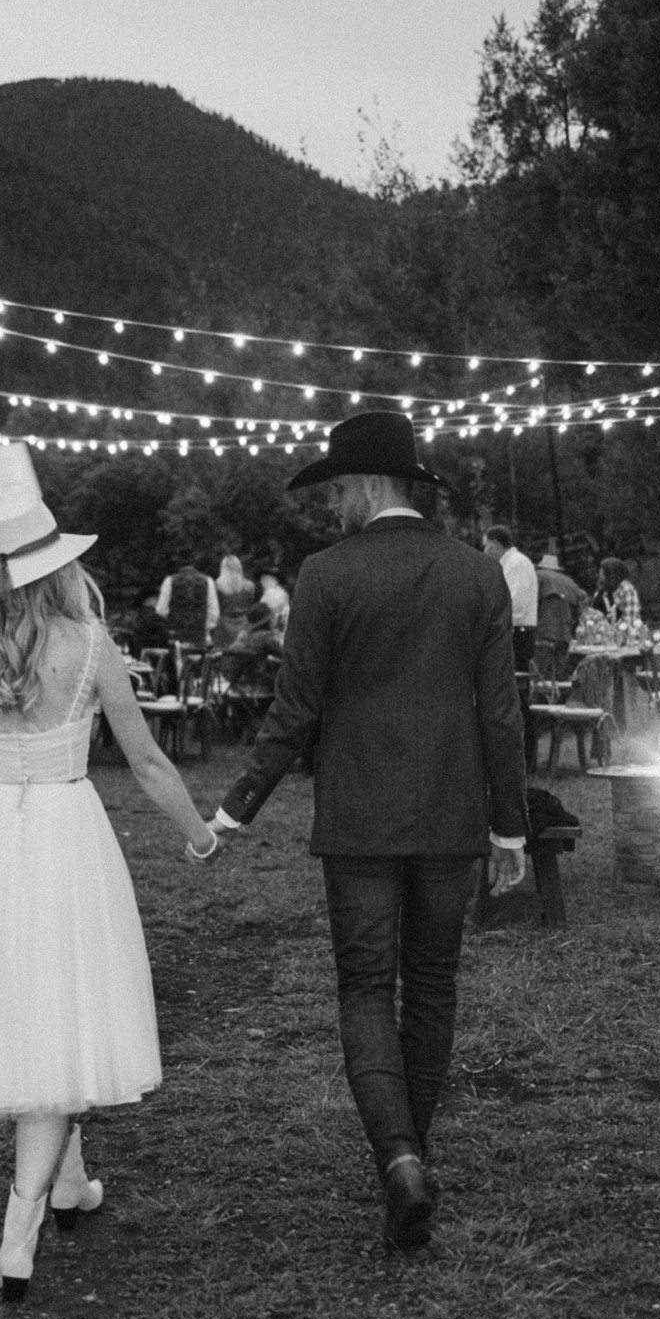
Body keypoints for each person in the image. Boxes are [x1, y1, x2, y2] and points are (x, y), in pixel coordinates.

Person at [0, 467, 220, 1301]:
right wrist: (198, 833)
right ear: (58, 565)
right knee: (58, 1004)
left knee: (28, 1008)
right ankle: (19, 1237)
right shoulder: (92, 647)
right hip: (68, 838)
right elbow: (144, 758)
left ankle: (70, 1183)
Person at [207, 410, 529, 1255]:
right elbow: (500, 713)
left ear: (372, 485)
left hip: (357, 821)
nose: (332, 506)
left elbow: (296, 708)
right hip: (451, 817)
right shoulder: (475, 575)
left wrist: (238, 804)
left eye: (338, 489)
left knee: (363, 987)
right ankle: (410, 1154)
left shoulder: (325, 576)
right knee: (431, 986)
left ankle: (399, 1158)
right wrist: (510, 831)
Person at [482, 523, 539, 672]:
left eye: (486, 546)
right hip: (513, 631)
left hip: (518, 634)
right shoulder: (509, 564)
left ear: (494, 545)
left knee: (516, 683)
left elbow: (516, 603)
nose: (485, 551)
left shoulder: (516, 564)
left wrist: (492, 622)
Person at [155, 555, 219, 648]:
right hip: (199, 635)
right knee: (199, 660)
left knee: (178, 661)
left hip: (176, 634)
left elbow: (161, 611)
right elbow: (214, 612)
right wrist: (206, 629)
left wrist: (171, 621)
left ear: (178, 564)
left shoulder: (169, 581)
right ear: (195, 563)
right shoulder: (208, 581)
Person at [593, 556, 643, 635]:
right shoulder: (602, 590)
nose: (599, 573)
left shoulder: (626, 589)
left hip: (625, 635)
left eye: (602, 571)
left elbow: (630, 619)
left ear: (611, 573)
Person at [214, 554, 257, 643]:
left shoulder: (217, 586)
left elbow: (216, 607)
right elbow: (251, 605)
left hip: (224, 624)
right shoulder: (249, 586)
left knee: (224, 653)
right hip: (243, 623)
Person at [256, 565, 290, 636]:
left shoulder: (272, 593)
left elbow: (272, 616)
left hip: (275, 631)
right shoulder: (280, 591)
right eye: (262, 578)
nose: (262, 581)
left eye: (266, 578)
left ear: (275, 580)